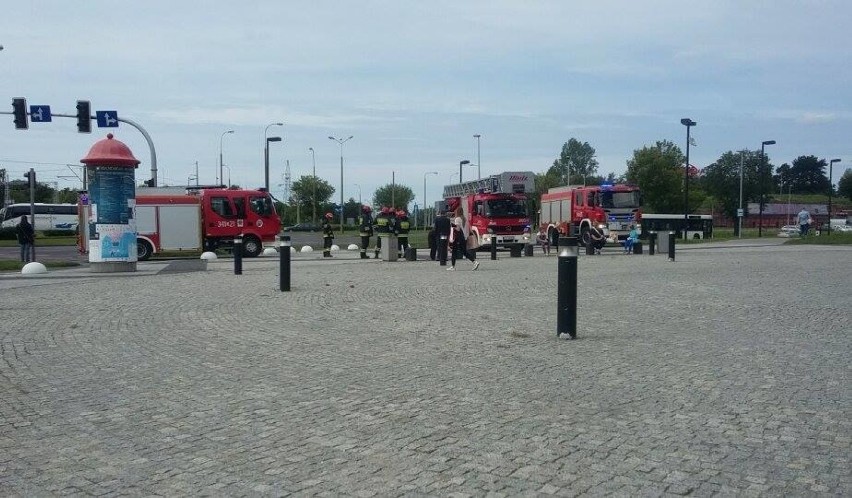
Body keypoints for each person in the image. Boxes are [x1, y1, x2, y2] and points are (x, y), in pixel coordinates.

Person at [448, 207, 479, 271]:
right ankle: (474, 261)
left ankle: (453, 266)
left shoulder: (457, 219)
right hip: (464, 237)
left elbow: (458, 229)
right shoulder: (465, 219)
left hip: (458, 237)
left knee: (454, 252)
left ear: (457, 212)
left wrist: (452, 226)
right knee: (464, 252)